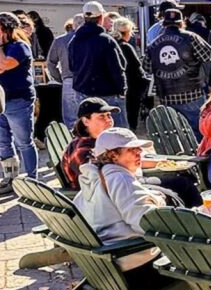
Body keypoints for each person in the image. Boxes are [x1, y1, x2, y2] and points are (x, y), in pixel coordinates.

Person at [61, 96, 201, 206]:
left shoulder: (100, 140)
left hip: (125, 185)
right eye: (101, 117)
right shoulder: (82, 150)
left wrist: (164, 162)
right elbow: (103, 178)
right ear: (85, 121)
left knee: (183, 181)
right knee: (181, 186)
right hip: (111, 196)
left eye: (109, 116)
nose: (109, 120)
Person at [74, 128, 169, 272]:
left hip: (105, 260)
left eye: (139, 149)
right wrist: (159, 202)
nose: (140, 153)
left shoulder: (93, 177)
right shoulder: (120, 178)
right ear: (113, 155)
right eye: (132, 150)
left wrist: (152, 197)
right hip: (133, 260)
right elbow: (146, 224)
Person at [144, 8, 211, 137]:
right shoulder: (191, 37)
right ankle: (199, 156)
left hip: (166, 96)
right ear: (182, 22)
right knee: (199, 131)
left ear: (163, 23)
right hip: (192, 93)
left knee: (175, 134)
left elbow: (147, 68)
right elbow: (208, 56)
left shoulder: (153, 44)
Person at [0, 12, 38, 188]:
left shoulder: (19, 47)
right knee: (3, 142)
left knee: (24, 141)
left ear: (5, 27)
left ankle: (32, 179)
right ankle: (10, 177)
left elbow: (3, 65)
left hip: (18, 100)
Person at [69, 0, 128, 127]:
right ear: (101, 17)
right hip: (108, 94)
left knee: (89, 132)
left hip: (82, 93)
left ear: (85, 17)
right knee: (118, 134)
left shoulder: (75, 41)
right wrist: (122, 89)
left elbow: (71, 66)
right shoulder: (106, 40)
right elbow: (118, 68)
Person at [46, 13, 83, 130]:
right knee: (90, 116)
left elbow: (50, 63)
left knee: (71, 119)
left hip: (69, 80)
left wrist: (60, 78)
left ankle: (73, 144)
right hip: (89, 80)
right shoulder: (93, 40)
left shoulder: (60, 40)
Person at [113, 18, 147, 131]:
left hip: (114, 89)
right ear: (127, 31)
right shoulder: (126, 47)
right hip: (131, 89)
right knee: (130, 123)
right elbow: (138, 69)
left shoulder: (110, 45)